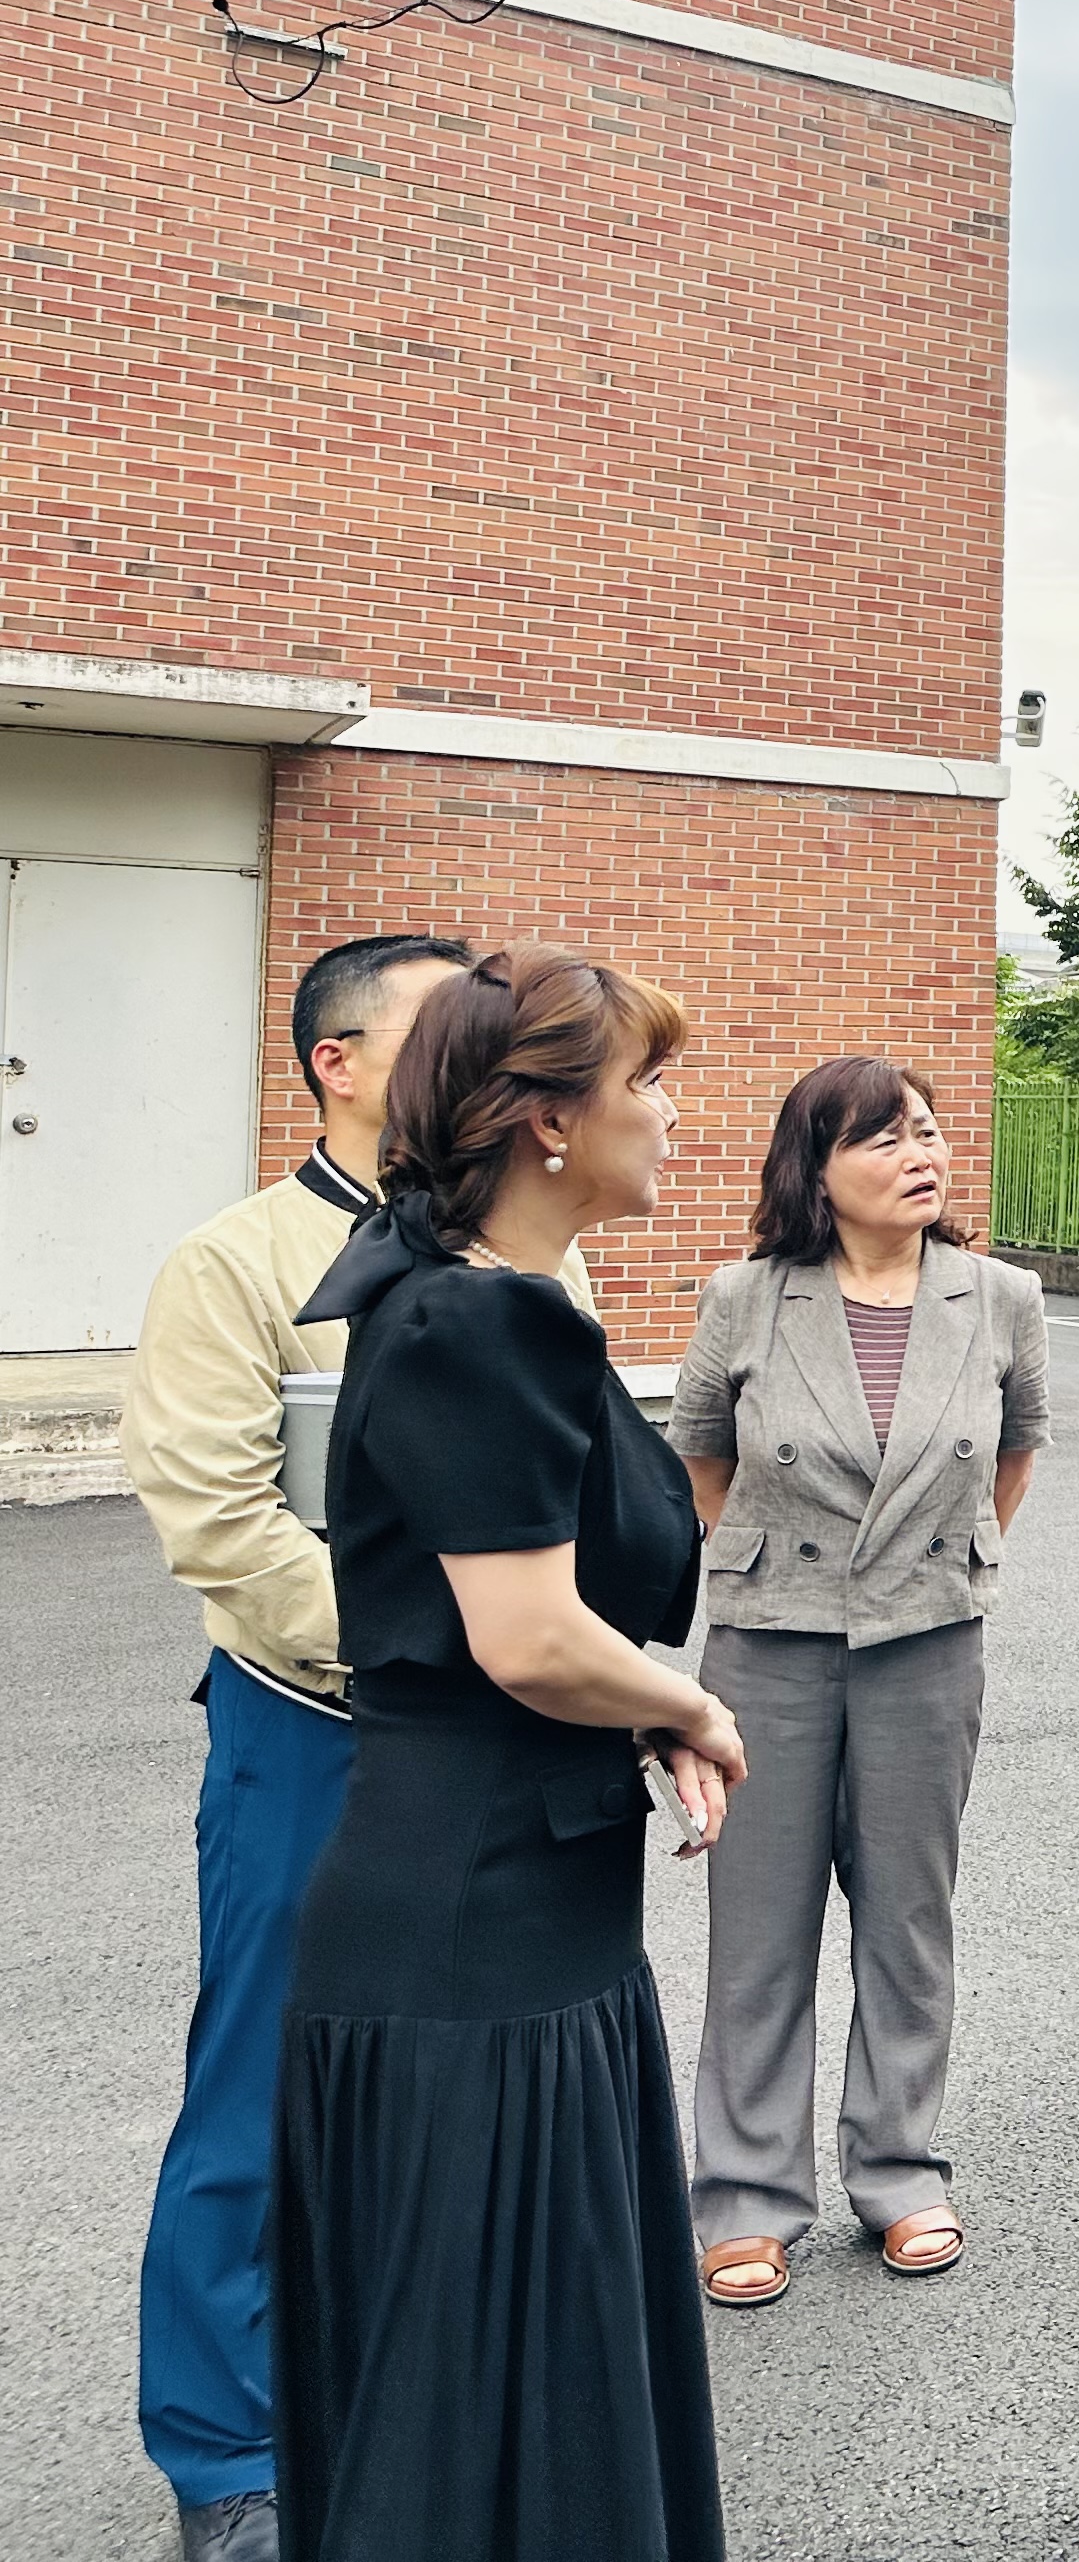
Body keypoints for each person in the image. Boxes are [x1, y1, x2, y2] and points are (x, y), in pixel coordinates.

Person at [274, 945, 741, 2562]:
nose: (672, 1114)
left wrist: (641, 1710)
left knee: (510, 2390)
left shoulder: (481, 1298)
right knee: (476, 2407)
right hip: (473, 1935)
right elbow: (528, 1636)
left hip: (515, 1907)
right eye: (647, 1083)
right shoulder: (473, 1319)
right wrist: (691, 1705)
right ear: (548, 1119)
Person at [120, 933, 478, 2562]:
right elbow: (219, 1517)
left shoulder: (515, 1251)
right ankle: (225, 2454)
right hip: (312, 1721)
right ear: (337, 1061)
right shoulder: (234, 1263)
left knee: (455, 2080)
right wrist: (436, 1635)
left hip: (490, 1735)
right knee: (261, 2089)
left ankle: (404, 2392)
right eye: (439, 1029)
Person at [667, 1056, 1048, 2310]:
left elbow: (1015, 1455)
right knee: (757, 1929)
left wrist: (932, 1567)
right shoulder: (746, 1297)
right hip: (770, 1645)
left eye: (926, 1133)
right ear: (817, 1171)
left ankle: (898, 2171)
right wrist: (789, 1563)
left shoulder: (1000, 1298)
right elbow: (703, 1458)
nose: (918, 1156)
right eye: (882, 1140)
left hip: (928, 1643)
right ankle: (746, 2197)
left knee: (907, 1919)